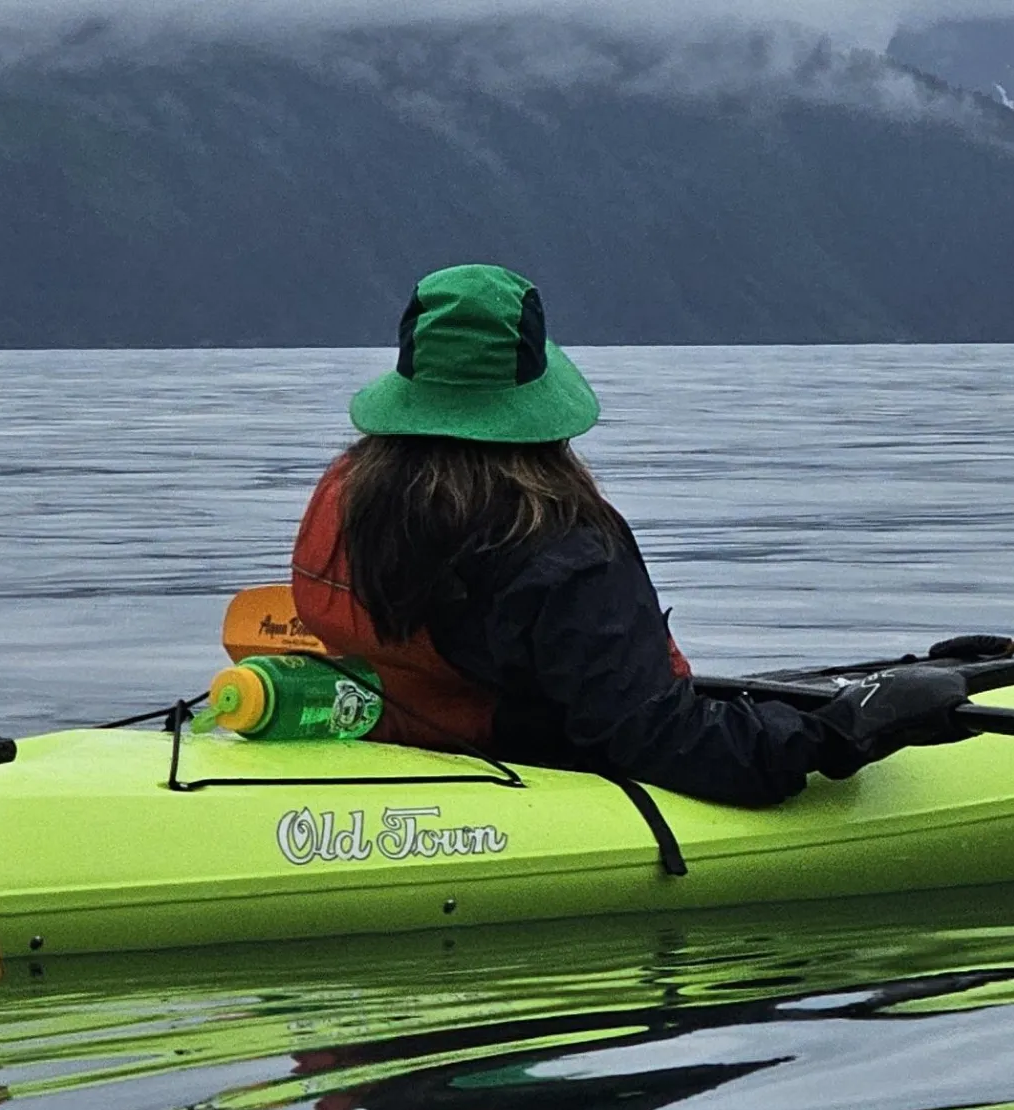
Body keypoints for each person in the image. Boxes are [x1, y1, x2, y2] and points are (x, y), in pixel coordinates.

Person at [290, 264, 970, 806]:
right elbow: (658, 739)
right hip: (543, 775)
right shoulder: (560, 550)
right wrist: (841, 735)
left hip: (412, 746)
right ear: (535, 402)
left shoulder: (349, 492)